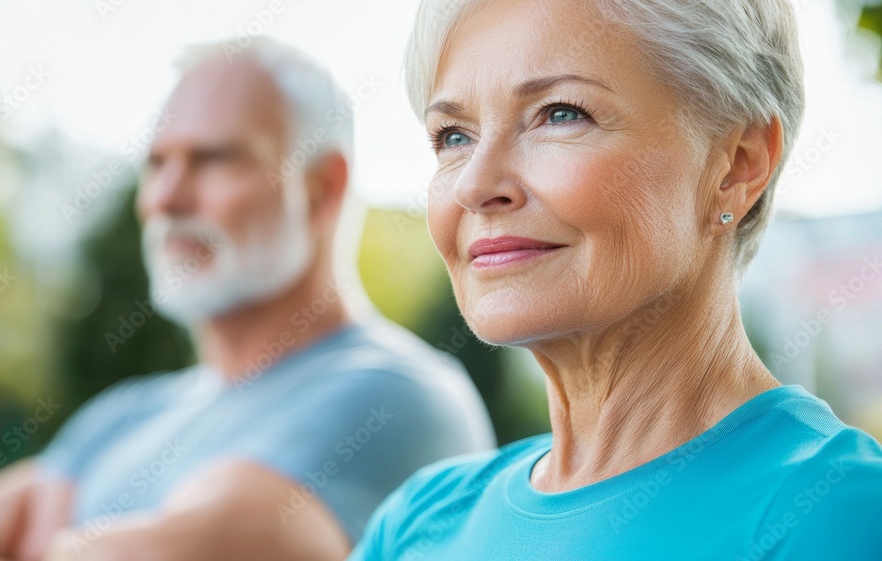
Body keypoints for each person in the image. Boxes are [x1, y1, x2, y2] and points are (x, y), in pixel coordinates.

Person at [0, 38, 495, 561]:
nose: (165, 197)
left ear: (321, 186)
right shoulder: (122, 415)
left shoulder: (396, 394)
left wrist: (49, 539)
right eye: (156, 164)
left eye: (212, 160)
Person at [349, 0, 882, 559]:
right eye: (454, 136)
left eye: (559, 114)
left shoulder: (840, 516)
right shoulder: (417, 522)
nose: (475, 185)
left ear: (737, 165)